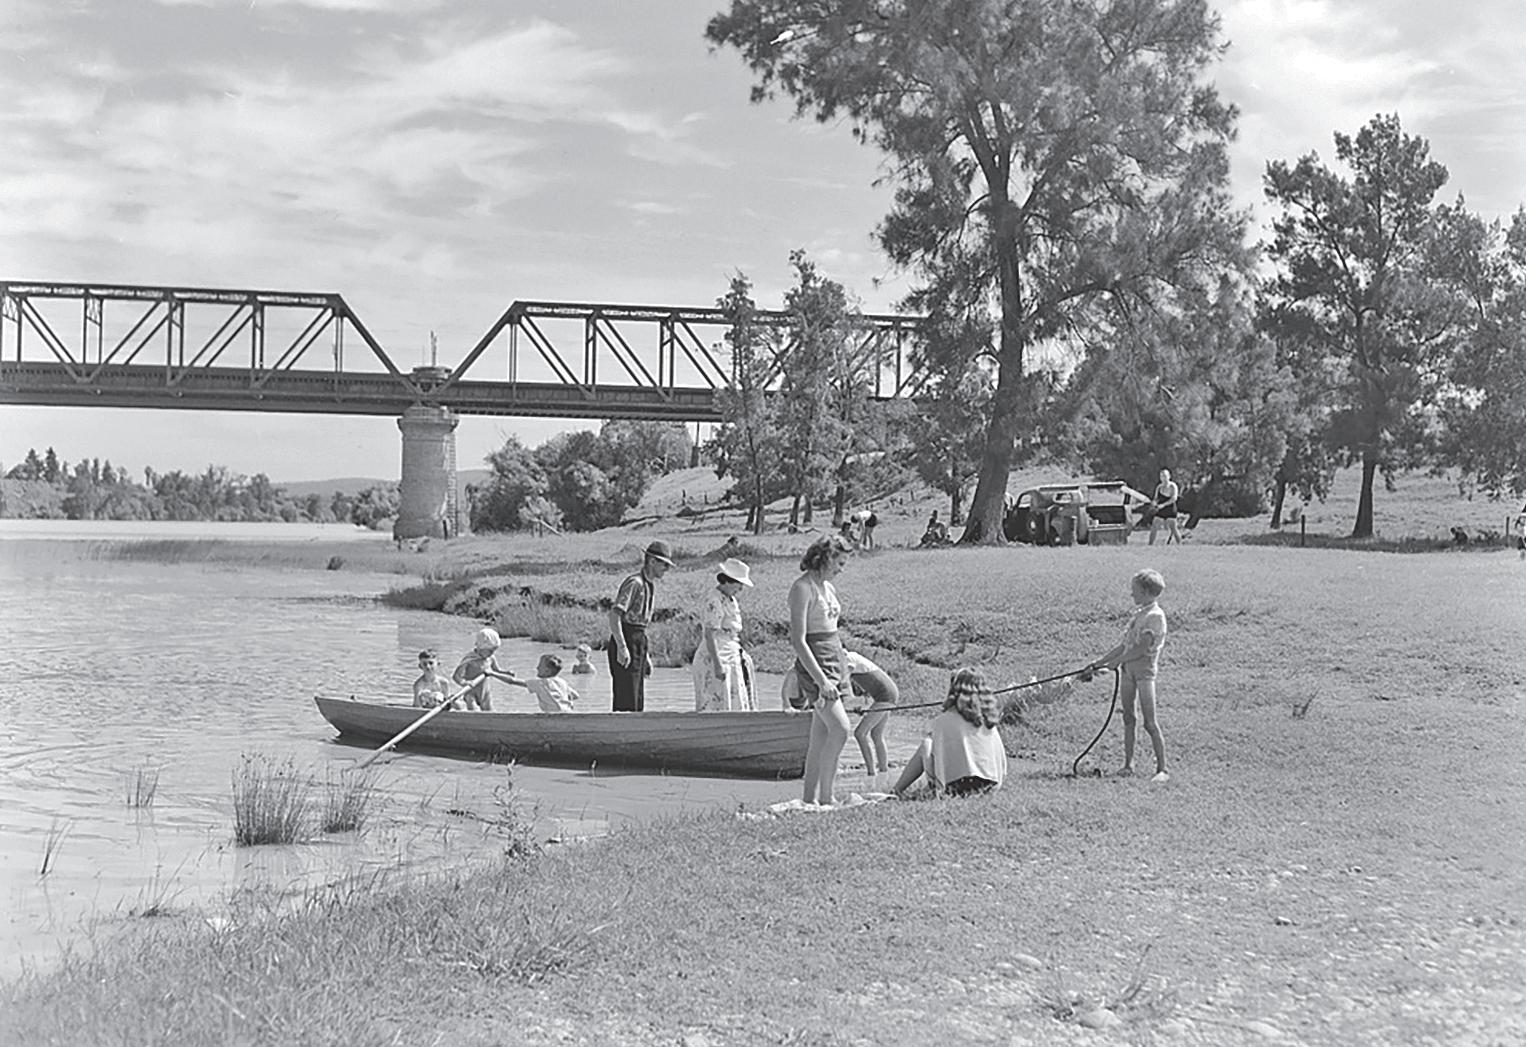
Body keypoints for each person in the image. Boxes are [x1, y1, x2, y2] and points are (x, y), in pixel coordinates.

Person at [1082, 568, 1170, 782]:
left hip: (1144, 674)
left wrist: (1117, 662)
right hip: (1128, 672)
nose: (1132, 594)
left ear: (1146, 592)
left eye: (1135, 590)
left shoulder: (1155, 617)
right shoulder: (1139, 615)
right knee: (1128, 717)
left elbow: (1141, 649)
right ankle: (1128, 764)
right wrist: (1099, 662)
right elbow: (1124, 646)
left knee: (1150, 722)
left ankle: (1162, 769)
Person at [790, 534, 855, 806]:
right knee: (841, 729)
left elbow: (832, 630)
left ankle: (809, 799)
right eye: (839, 563)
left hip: (834, 658)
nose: (841, 569)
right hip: (816, 664)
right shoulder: (802, 588)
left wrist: (843, 663)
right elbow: (798, 640)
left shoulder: (828, 588)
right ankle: (827, 798)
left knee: (821, 737)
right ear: (825, 558)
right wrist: (821, 681)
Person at [892, 667, 1007, 798]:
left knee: (926, 745)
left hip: (957, 788)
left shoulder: (941, 722)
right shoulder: (989, 722)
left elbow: (939, 759)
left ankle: (896, 790)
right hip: (989, 786)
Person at [607, 539, 674, 712]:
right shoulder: (634, 583)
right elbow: (615, 615)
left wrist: (646, 656)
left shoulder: (649, 585)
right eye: (664, 564)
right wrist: (622, 647)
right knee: (626, 697)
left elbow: (640, 627)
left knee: (637, 697)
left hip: (639, 639)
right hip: (626, 638)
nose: (666, 569)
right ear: (651, 561)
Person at [693, 557, 757, 712]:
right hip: (717, 657)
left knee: (735, 701)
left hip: (731, 654)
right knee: (717, 701)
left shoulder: (730, 599)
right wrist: (718, 665)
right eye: (738, 584)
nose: (740, 588)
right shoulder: (714, 601)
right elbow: (710, 634)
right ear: (728, 581)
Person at [846, 650, 899, 780]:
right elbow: (868, 689)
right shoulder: (854, 658)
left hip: (885, 696)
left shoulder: (848, 659)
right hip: (888, 693)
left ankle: (871, 773)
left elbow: (843, 681)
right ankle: (884, 773)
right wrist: (865, 708)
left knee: (860, 733)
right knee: (876, 734)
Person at [452, 627, 520, 711]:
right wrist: (464, 683)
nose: (492, 653)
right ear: (481, 647)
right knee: (474, 713)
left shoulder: (490, 658)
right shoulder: (469, 659)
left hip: (485, 692)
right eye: (490, 651)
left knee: (489, 712)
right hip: (471, 692)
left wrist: (506, 672)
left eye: (494, 651)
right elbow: (456, 677)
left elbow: (496, 670)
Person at [511, 653, 581, 713]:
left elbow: (512, 681)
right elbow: (576, 695)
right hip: (567, 712)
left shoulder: (540, 683)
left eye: (540, 666)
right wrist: (563, 701)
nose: (537, 668)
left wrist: (502, 675)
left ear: (547, 670)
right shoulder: (562, 682)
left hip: (553, 716)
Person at [1149, 468, 1183, 546]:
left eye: (1165, 476)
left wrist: (1163, 505)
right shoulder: (1159, 487)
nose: (1163, 478)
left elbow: (1174, 498)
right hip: (1160, 510)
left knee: (1173, 527)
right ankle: (1150, 545)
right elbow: (1156, 498)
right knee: (1154, 525)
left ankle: (1180, 545)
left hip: (1170, 509)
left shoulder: (1173, 486)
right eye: (1161, 476)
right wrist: (1154, 503)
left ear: (1169, 476)